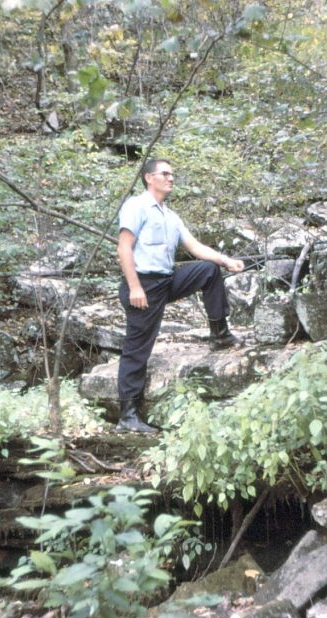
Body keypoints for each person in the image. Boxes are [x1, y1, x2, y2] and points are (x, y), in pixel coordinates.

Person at [114, 158, 245, 434]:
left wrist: (225, 260)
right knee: (137, 350)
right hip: (143, 286)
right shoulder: (136, 206)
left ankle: (220, 333)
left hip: (166, 280)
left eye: (172, 174)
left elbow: (195, 247)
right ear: (149, 178)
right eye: (165, 174)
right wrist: (135, 287)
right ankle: (128, 416)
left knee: (208, 270)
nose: (171, 178)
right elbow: (124, 248)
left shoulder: (171, 216)